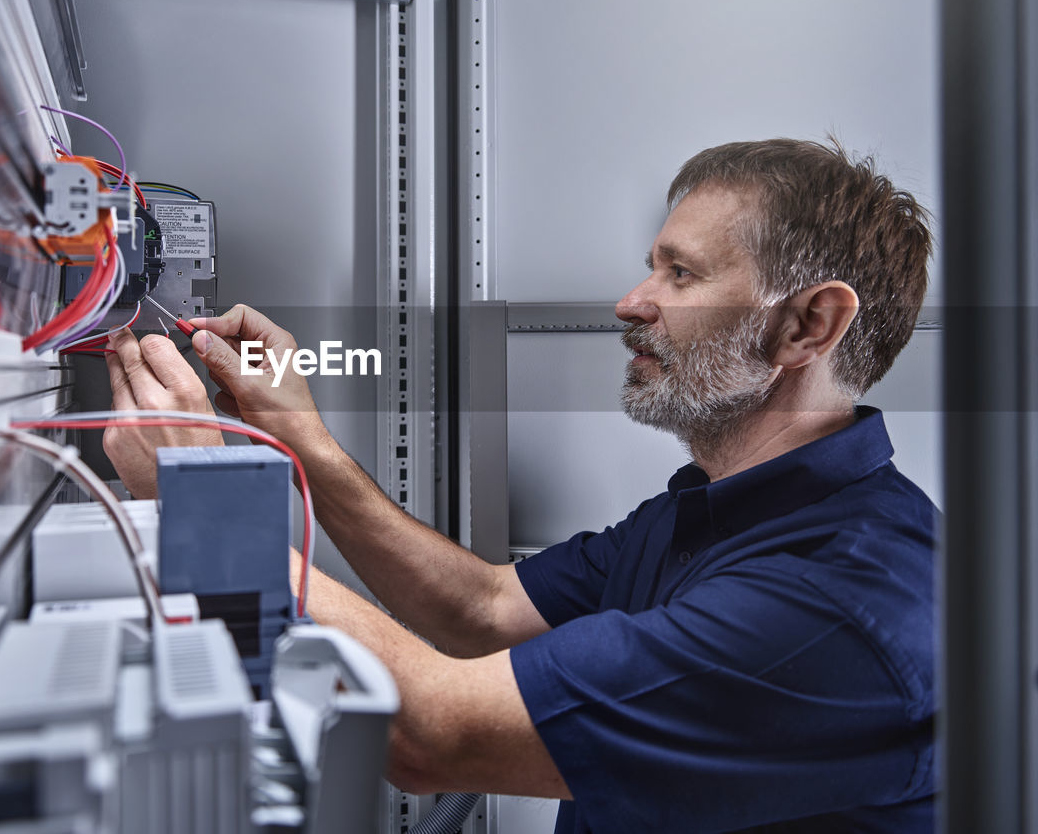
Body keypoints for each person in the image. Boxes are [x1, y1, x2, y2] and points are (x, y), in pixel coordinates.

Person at [102, 138, 936, 833]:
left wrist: (202, 500)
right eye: (651, 266)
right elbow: (485, 611)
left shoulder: (843, 603)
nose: (632, 301)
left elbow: (431, 735)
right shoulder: (713, 509)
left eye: (681, 274)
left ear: (810, 325)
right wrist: (300, 438)